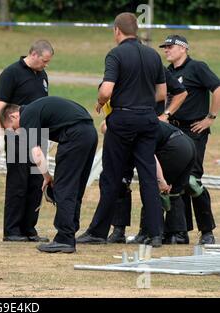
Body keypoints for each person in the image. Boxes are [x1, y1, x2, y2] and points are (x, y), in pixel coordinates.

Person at [76, 12, 167, 247]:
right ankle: (155, 233)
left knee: (112, 176)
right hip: (148, 119)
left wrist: (100, 100)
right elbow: (162, 94)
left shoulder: (115, 55)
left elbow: (106, 91)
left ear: (117, 30)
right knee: (147, 175)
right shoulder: (153, 55)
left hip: (123, 119)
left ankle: (98, 232)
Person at [0, 96, 98, 253]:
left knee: (63, 188)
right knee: (75, 186)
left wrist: (47, 177)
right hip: (90, 132)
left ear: (13, 116)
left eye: (12, 129)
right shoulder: (37, 107)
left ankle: (65, 238)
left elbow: (36, 152)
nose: (16, 133)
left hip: (74, 135)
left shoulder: (27, 116)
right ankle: (70, 229)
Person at [107, 69, 188, 244]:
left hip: (149, 131)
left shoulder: (157, 69)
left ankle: (153, 232)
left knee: (151, 182)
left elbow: (181, 92)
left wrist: (165, 115)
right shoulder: (122, 72)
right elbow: (108, 101)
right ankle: (121, 230)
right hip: (131, 129)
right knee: (123, 180)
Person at [160, 34, 220, 244]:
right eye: (165, 47)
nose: (166, 50)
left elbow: (218, 89)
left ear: (183, 48)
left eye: (170, 47)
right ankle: (179, 232)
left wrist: (210, 118)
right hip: (173, 132)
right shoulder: (167, 72)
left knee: (192, 182)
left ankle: (207, 232)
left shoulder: (197, 67)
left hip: (194, 130)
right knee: (176, 180)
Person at [0, 40, 54, 242]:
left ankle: (29, 228)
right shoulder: (11, 73)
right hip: (16, 134)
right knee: (18, 182)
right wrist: (0, 134)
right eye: (44, 61)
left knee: (36, 181)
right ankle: (12, 230)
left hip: (39, 134)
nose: (46, 65)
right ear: (34, 54)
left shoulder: (42, 75)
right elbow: (0, 105)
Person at [102, 121, 195, 244]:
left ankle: (147, 233)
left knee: (149, 187)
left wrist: (160, 180)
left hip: (173, 148)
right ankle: (178, 234)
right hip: (187, 144)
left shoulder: (132, 133)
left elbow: (150, 156)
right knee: (174, 192)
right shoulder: (137, 123)